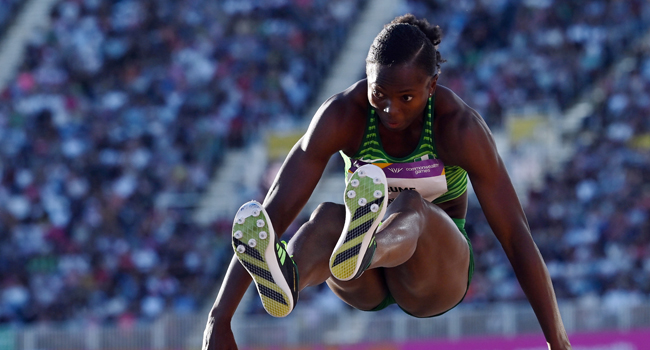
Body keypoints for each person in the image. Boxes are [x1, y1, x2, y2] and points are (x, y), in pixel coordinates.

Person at [202, 14, 572, 350]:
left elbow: (515, 235)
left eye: (406, 98)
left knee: (411, 206)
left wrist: (557, 341)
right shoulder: (343, 115)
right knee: (328, 217)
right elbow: (273, 212)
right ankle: (288, 277)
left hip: (434, 278)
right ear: (367, 77)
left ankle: (365, 248)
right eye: (379, 94)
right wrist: (220, 318)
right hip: (363, 284)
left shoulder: (458, 127)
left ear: (432, 86)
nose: (390, 110)